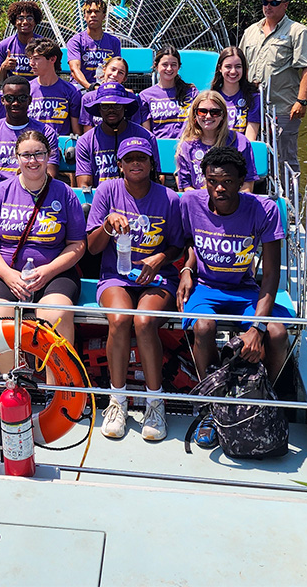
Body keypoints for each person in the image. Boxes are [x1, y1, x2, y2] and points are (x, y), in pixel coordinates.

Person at [177, 146, 290, 449]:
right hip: (206, 287)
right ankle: (212, 409)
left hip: (245, 289)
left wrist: (257, 328)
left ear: (241, 181)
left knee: (277, 333)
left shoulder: (263, 210)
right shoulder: (190, 202)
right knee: (202, 327)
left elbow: (270, 276)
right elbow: (187, 240)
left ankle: (261, 400)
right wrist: (188, 268)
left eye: (227, 181)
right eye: (212, 181)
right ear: (204, 180)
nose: (219, 188)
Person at [86, 137, 184, 441]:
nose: (136, 163)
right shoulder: (107, 191)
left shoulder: (170, 198)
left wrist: (160, 258)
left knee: (143, 321)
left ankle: (155, 403)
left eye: (142, 158)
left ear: (152, 162)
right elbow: (91, 249)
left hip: (158, 277)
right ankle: (118, 401)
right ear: (120, 165)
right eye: (129, 159)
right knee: (120, 318)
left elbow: (178, 245)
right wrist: (106, 225)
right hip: (116, 276)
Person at [0, 130, 87, 347]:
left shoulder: (65, 194)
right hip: (7, 274)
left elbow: (77, 244)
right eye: (26, 155)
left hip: (55, 274)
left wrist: (48, 271)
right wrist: (8, 274)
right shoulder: (1, 192)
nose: (32, 160)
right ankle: (12, 379)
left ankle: (56, 380)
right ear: (16, 158)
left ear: (48, 156)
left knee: (55, 316)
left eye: (38, 154)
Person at [238, 0, 307, 175]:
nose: (268, 6)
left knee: (285, 157)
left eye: (274, 3)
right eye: (265, 2)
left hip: (283, 107)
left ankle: (289, 200)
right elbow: (239, 64)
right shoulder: (250, 31)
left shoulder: (298, 31)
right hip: (251, 106)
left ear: (285, 5)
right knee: (249, 151)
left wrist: (301, 101)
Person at [0, 75, 59, 184]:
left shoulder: (46, 133)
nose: (15, 103)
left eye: (22, 98)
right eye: (10, 98)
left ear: (29, 100)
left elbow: (51, 174)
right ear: (3, 100)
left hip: (35, 191)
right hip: (0, 193)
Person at [74, 82, 160, 188]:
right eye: (105, 106)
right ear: (99, 109)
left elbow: (155, 178)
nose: (111, 110)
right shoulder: (85, 141)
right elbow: (84, 185)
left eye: (117, 106)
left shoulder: (146, 137)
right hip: (100, 201)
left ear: (125, 107)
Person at [176, 91, 256, 193]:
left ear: (223, 115)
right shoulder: (187, 146)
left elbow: (247, 184)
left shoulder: (240, 142)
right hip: (199, 203)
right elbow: (186, 187)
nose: (208, 116)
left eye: (215, 112)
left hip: (233, 202)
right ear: (195, 114)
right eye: (202, 111)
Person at [140, 44, 198, 140]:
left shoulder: (191, 93)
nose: (169, 69)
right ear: (156, 65)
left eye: (173, 65)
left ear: (179, 67)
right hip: (159, 148)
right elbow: (147, 133)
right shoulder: (145, 96)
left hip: (186, 146)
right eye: (165, 64)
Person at [27, 38, 82, 135]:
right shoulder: (26, 89)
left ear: (52, 59)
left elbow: (76, 132)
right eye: (30, 58)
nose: (31, 63)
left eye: (36, 58)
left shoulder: (72, 91)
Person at [66, 0, 122, 91]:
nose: (93, 15)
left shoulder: (114, 42)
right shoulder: (76, 41)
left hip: (105, 87)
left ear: (104, 16)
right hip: (81, 87)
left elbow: (117, 68)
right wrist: (90, 87)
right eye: (89, 12)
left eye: (97, 12)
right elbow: (74, 69)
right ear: (84, 16)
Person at [79, 56, 149, 128]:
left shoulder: (132, 99)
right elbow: (87, 129)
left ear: (124, 78)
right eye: (113, 69)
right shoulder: (88, 98)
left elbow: (134, 127)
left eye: (120, 73)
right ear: (104, 70)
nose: (115, 74)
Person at [211, 45, 261, 141]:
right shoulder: (213, 98)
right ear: (220, 68)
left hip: (241, 150)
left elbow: (250, 138)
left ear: (244, 69)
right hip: (217, 150)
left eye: (238, 67)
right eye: (228, 67)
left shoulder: (253, 97)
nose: (233, 71)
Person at [0, 1, 44, 84]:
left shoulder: (43, 44)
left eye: (29, 18)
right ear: (14, 22)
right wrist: (4, 67)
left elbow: (51, 76)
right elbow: (0, 81)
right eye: (20, 18)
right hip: (14, 90)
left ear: (35, 21)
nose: (25, 22)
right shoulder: (5, 45)